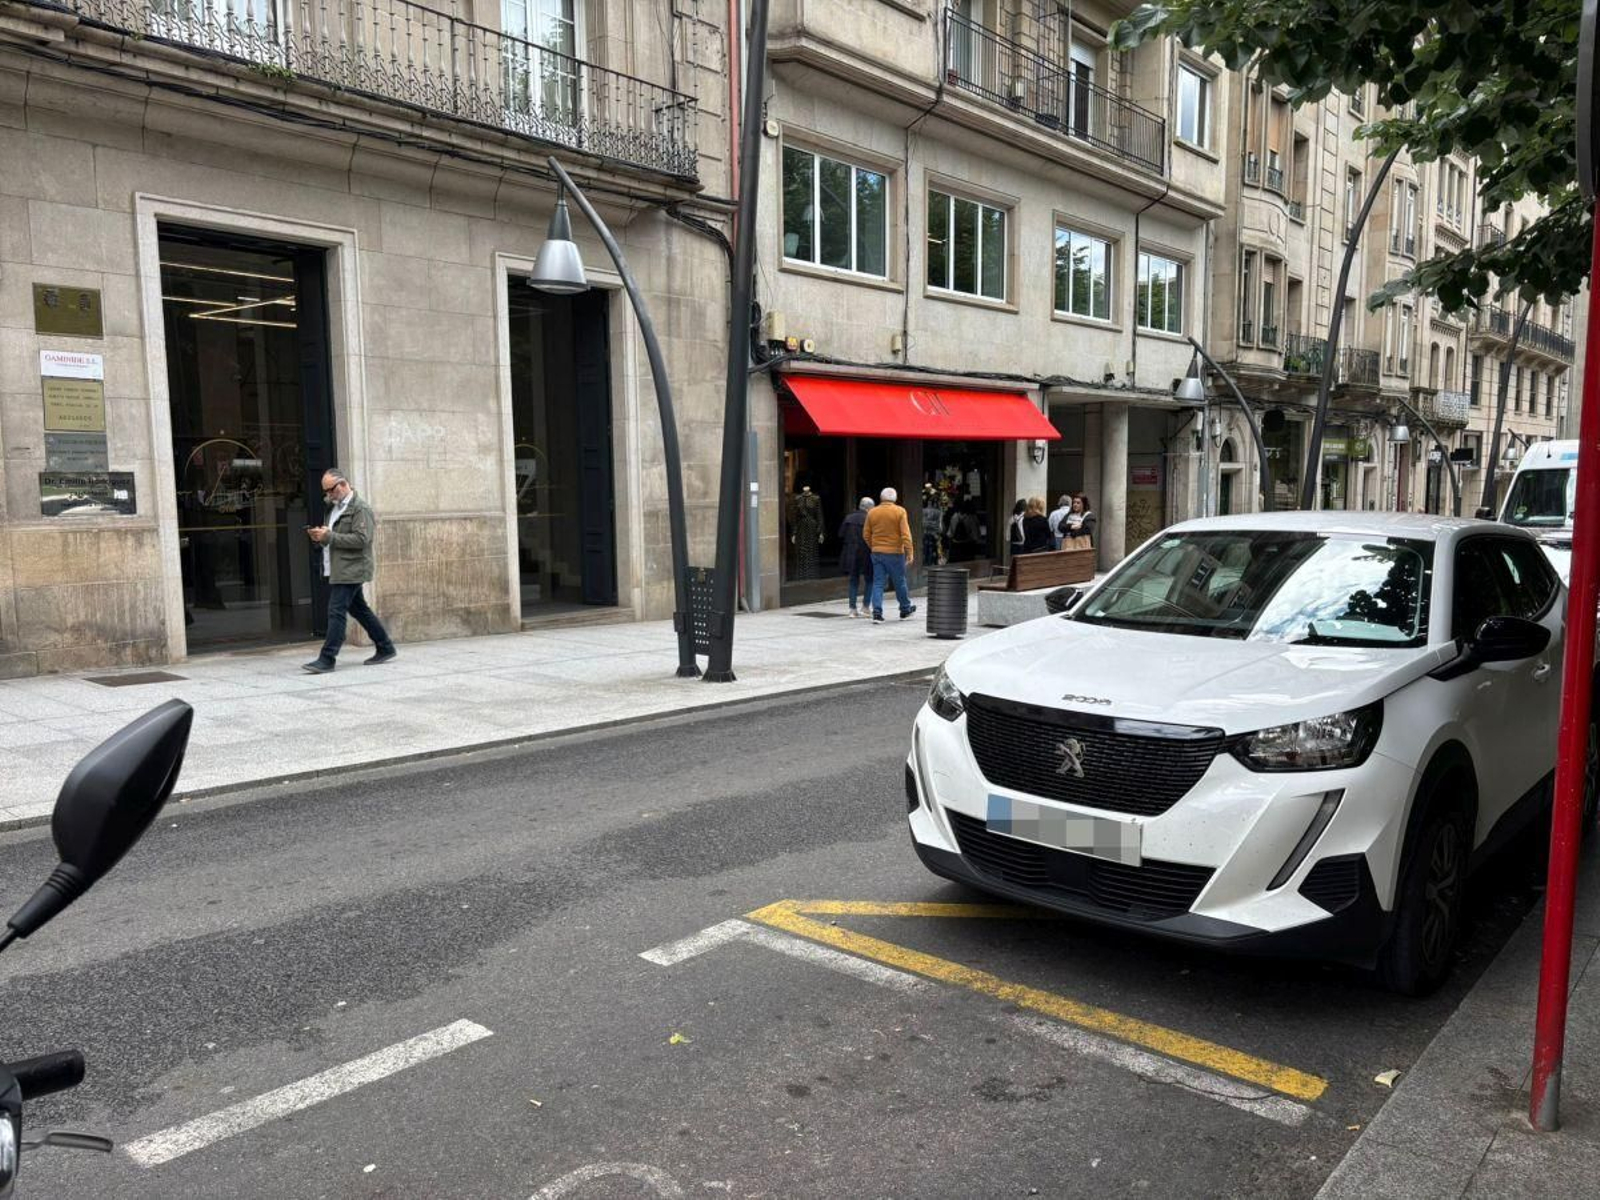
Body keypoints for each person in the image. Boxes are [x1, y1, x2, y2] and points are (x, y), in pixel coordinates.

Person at [303, 469, 397, 673]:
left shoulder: (360, 509)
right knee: (359, 609)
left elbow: (362, 540)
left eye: (331, 490)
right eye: (326, 491)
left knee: (336, 611)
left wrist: (329, 537)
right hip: (338, 567)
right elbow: (333, 535)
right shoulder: (333, 507)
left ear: (344, 484)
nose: (328, 495)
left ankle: (327, 658)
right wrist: (320, 536)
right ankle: (385, 647)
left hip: (352, 568)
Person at [863, 486, 916, 623]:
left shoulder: (872, 512)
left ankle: (877, 613)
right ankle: (905, 609)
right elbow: (906, 535)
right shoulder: (899, 511)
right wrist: (909, 552)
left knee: (878, 583)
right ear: (895, 498)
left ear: (881, 498)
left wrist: (874, 546)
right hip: (895, 553)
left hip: (877, 552)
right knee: (899, 581)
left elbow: (866, 534)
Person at [838, 497, 874, 618]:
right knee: (870, 579)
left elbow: (841, 534)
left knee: (853, 580)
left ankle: (852, 609)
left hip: (851, 553)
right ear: (869, 508)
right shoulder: (870, 518)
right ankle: (865, 607)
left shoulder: (849, 518)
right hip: (866, 552)